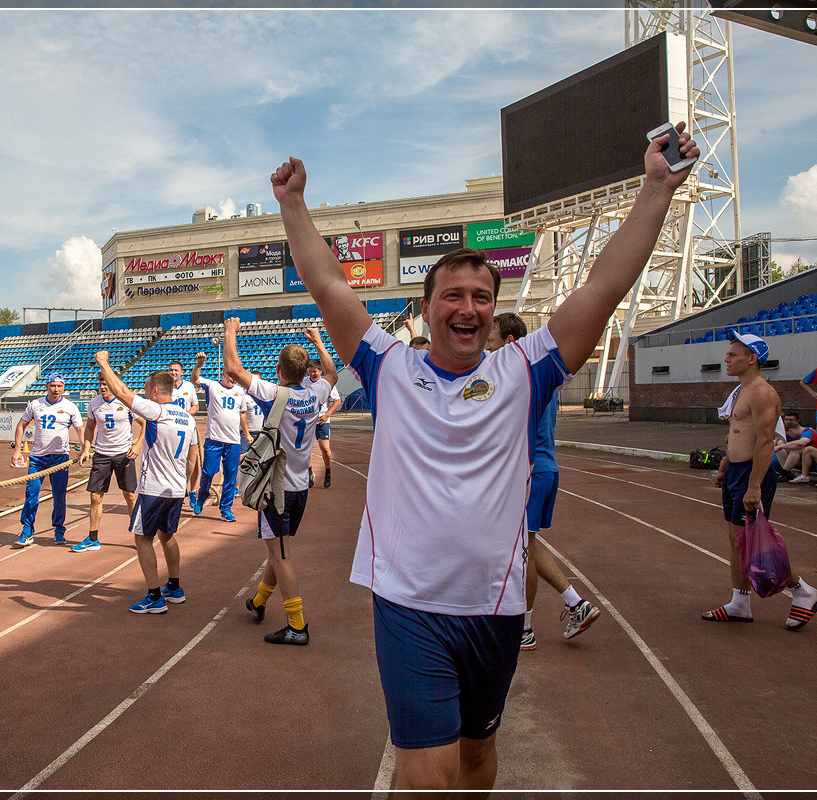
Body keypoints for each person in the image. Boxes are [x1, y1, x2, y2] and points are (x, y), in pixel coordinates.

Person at [271, 123, 699, 792]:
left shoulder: (523, 371)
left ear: (492, 311)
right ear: (427, 307)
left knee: (476, 755)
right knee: (428, 776)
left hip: (494, 611)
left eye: (481, 298)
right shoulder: (386, 365)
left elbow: (602, 288)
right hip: (408, 606)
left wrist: (655, 190)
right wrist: (294, 206)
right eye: (453, 296)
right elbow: (328, 286)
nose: (467, 308)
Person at [485, 313, 599, 651]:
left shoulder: (515, 374)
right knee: (529, 545)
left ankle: (525, 628)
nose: (486, 336)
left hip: (531, 473)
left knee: (522, 551)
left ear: (509, 340)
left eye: (492, 330)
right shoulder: (537, 373)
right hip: (545, 469)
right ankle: (576, 602)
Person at [223, 319, 337, 646]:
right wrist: (318, 341)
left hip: (277, 490)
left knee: (281, 554)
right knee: (278, 547)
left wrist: (231, 331)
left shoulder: (276, 393)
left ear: (279, 368)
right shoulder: (317, 392)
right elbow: (330, 373)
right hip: (301, 487)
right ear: (305, 371)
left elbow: (233, 367)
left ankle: (297, 626)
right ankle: (258, 602)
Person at [702, 332, 817, 629]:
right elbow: (737, 436)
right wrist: (724, 467)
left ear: (752, 358)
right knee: (737, 540)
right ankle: (740, 603)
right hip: (735, 473)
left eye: (733, 355)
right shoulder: (740, 391)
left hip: (751, 475)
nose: (726, 359)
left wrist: (754, 485)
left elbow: (765, 441)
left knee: (752, 542)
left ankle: (803, 591)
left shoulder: (762, 393)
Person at [95, 352, 199, 614]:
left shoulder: (156, 410)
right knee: (168, 536)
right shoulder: (188, 418)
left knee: (142, 539)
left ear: (155, 391)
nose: (144, 394)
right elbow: (193, 457)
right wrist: (188, 485)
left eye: (145, 390)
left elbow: (120, 391)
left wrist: (104, 362)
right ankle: (174, 587)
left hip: (154, 488)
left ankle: (154, 597)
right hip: (175, 488)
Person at [11, 373, 85, 546]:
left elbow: (80, 429)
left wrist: (84, 449)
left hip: (60, 458)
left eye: (59, 386)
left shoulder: (70, 407)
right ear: (46, 386)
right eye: (53, 386)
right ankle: (27, 530)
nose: (56, 389)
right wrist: (17, 450)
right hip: (37, 458)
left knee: (59, 496)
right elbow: (21, 424)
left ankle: (59, 530)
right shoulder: (36, 404)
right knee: (31, 494)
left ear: (63, 387)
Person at [75, 375, 144, 552]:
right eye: (100, 384)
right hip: (102, 454)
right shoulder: (94, 404)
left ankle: (139, 536)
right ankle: (92, 538)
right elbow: (90, 428)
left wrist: (137, 445)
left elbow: (145, 424)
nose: (103, 387)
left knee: (130, 495)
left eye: (106, 384)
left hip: (124, 454)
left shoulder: (126, 402)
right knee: (95, 496)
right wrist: (86, 449)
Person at [189, 352, 246, 521]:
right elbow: (194, 379)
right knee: (208, 472)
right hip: (214, 439)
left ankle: (226, 509)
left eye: (235, 376)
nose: (233, 379)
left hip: (233, 441)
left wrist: (247, 433)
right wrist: (199, 364)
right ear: (224, 374)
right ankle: (202, 496)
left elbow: (242, 413)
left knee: (230, 475)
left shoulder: (240, 391)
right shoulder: (212, 386)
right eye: (230, 375)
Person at [167, 360, 201, 510]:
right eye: (171, 370)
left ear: (181, 372)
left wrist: (185, 415)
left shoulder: (188, 386)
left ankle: (192, 491)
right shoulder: (165, 386)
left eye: (176, 370)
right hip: (171, 428)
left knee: (193, 461)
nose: (173, 372)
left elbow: (196, 406)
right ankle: (178, 490)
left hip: (188, 427)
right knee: (173, 459)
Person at [303, 358, 341, 489]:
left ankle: (328, 470)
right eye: (311, 371)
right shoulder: (304, 382)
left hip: (321, 419)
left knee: (324, 448)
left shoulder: (326, 383)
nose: (313, 374)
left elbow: (337, 400)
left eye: (315, 371)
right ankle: (309, 473)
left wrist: (327, 415)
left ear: (320, 371)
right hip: (308, 419)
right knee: (307, 448)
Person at [239, 371, 264, 454]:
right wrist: (247, 434)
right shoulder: (244, 396)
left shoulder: (264, 396)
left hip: (261, 433)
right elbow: (241, 415)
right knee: (242, 457)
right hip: (248, 432)